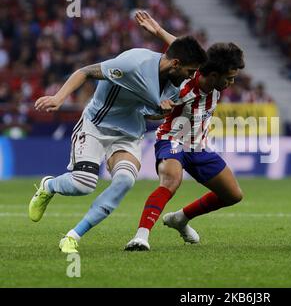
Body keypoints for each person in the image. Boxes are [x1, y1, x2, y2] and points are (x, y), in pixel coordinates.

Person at [29, 33, 207, 254]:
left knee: (124, 180)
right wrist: (58, 98)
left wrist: (162, 112)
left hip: (129, 134)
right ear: (176, 64)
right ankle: (49, 186)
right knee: (83, 184)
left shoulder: (175, 85)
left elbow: (148, 112)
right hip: (96, 125)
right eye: (190, 72)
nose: (191, 77)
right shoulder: (132, 64)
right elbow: (84, 72)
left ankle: (72, 236)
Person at [124, 11, 244, 251]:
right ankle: (141, 235)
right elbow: (150, 114)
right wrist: (161, 109)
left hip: (199, 146)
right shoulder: (183, 84)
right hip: (171, 140)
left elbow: (180, 45)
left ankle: (180, 218)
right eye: (229, 78)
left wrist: (158, 30)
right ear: (213, 75)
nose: (231, 83)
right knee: (171, 181)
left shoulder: (212, 76)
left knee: (233, 195)